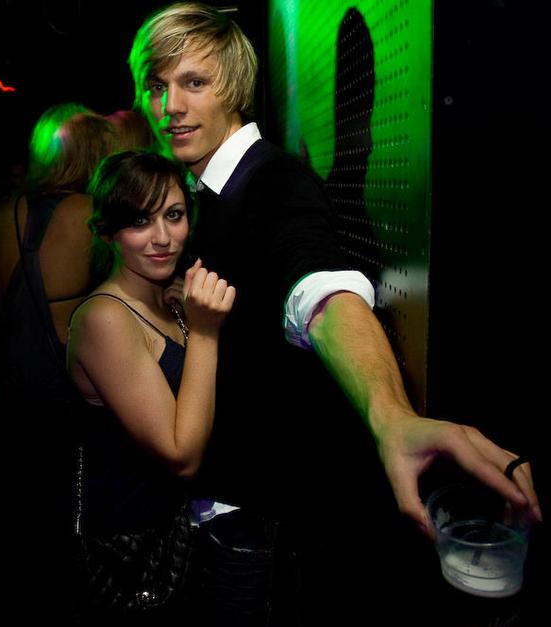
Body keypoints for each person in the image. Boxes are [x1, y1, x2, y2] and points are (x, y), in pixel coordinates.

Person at [128, 1, 541, 621]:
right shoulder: (209, 188)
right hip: (230, 503)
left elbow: (321, 292)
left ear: (234, 88)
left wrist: (391, 417)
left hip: (268, 522)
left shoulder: (274, 183)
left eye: (194, 83)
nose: (171, 108)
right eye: (157, 86)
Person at [0, 103, 115, 623]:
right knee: (77, 514)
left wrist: (23, 294)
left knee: (27, 516)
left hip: (17, 387)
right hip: (73, 387)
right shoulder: (93, 212)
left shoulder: (4, 213)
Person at [67, 150, 234, 624]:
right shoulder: (104, 318)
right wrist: (204, 333)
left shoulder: (165, 297)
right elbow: (182, 456)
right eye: (140, 221)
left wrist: (184, 314)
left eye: (174, 215)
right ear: (108, 233)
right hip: (132, 547)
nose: (163, 238)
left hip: (178, 529)